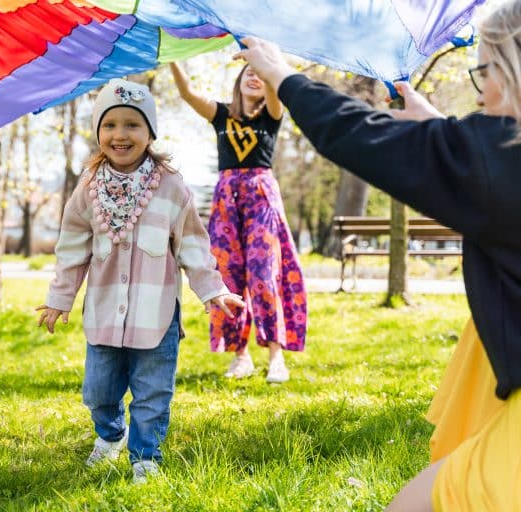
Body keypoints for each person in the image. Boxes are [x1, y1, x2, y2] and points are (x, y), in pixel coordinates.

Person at [235, 0, 521, 508]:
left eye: (484, 73)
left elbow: (356, 134)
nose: (483, 92)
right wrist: (439, 127)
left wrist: (280, 73)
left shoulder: (499, 155)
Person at [36, 78, 244, 484]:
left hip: (157, 316)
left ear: (150, 133)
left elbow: (193, 247)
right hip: (103, 314)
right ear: (99, 133)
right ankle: (111, 436)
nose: (120, 134)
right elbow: (72, 249)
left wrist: (213, 289)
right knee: (98, 392)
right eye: (110, 125)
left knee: (152, 394)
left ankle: (145, 456)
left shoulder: (171, 187)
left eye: (133, 125)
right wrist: (59, 298)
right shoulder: (87, 190)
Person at [169, 61, 307, 382]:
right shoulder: (220, 115)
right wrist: (172, 56)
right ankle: (240, 356)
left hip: (261, 196)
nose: (255, 77)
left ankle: (276, 357)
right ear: (238, 81)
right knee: (228, 274)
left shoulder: (271, 115)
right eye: (249, 72)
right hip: (227, 199)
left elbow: (274, 88)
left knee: (263, 272)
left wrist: (259, 58)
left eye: (259, 72)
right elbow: (187, 93)